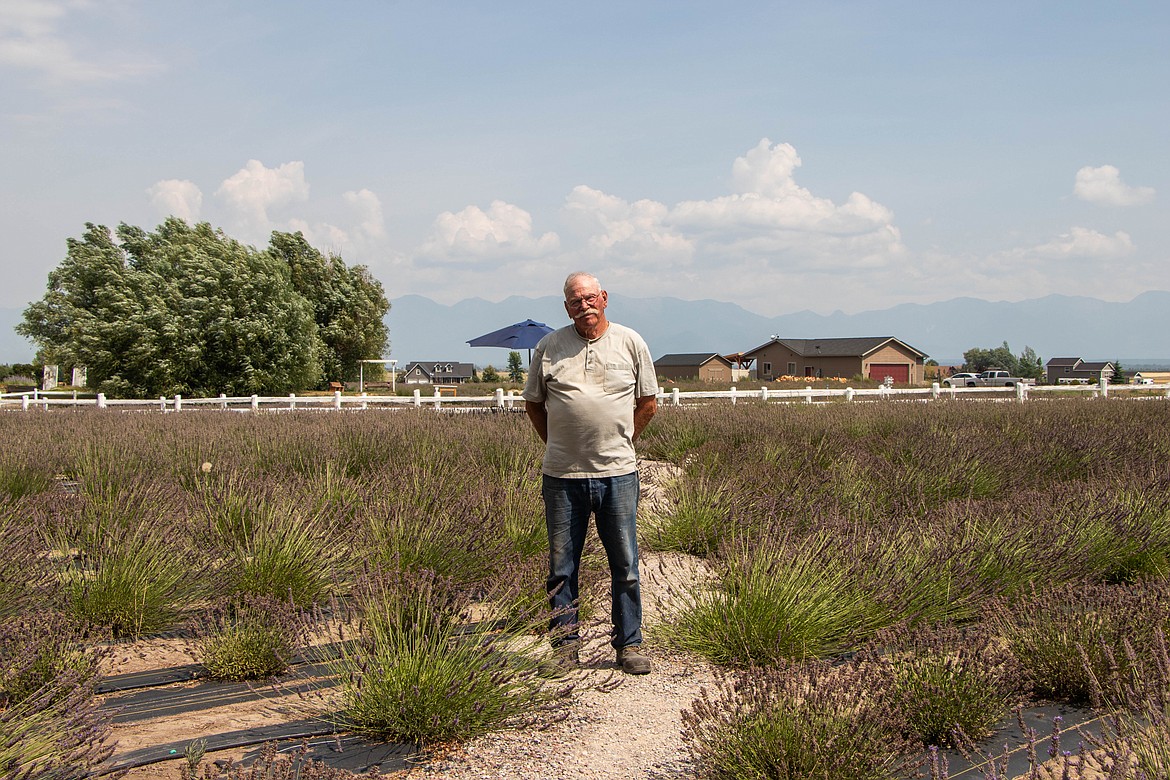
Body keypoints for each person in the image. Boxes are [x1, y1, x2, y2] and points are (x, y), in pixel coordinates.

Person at [522, 272, 658, 675]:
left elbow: (648, 402)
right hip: (562, 476)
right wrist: (558, 444)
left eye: (589, 298)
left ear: (604, 299)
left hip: (617, 473)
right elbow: (534, 404)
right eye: (575, 301)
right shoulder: (549, 347)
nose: (584, 306)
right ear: (566, 307)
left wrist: (619, 439)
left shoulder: (631, 342)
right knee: (562, 567)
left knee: (626, 564)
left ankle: (629, 645)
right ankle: (565, 648)